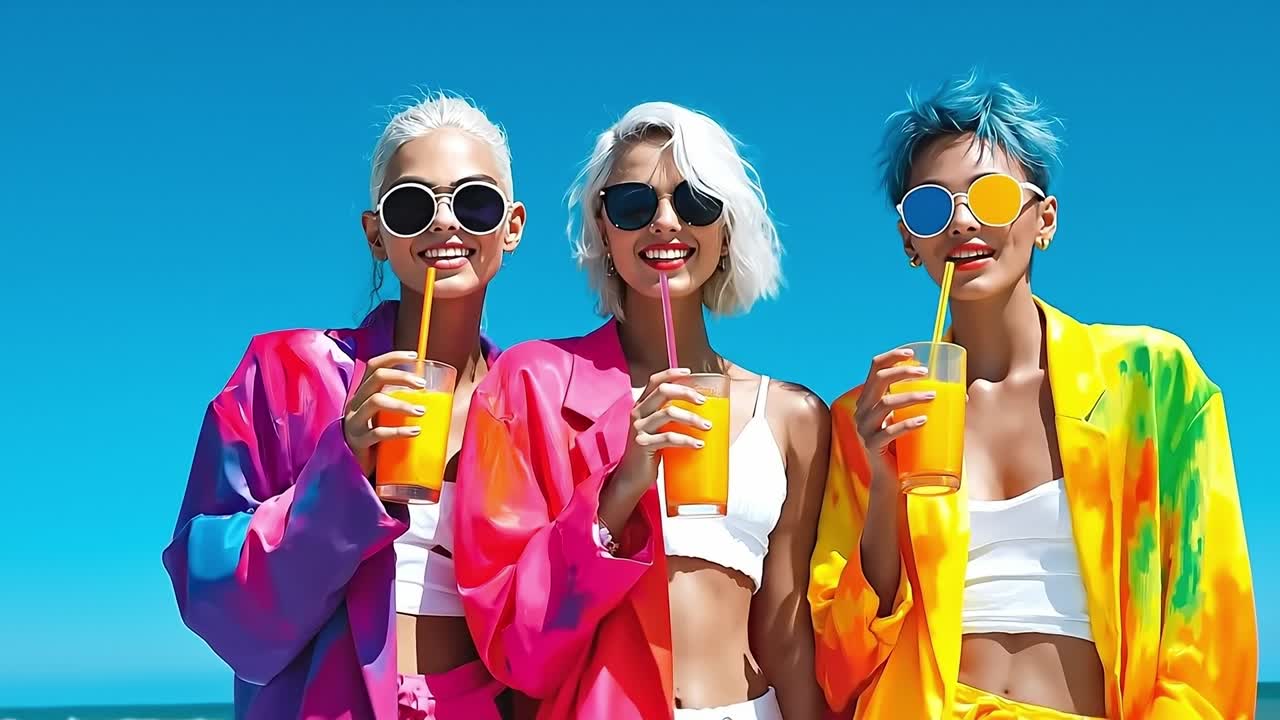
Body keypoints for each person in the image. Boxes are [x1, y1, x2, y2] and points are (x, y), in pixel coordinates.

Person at [808, 73, 1257, 720]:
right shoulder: (866, 414)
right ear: (911, 241)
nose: (962, 221)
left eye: (990, 196)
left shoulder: (1154, 381)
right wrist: (883, 484)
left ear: (1044, 219)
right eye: (931, 207)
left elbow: (1209, 638)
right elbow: (839, 667)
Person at [453, 101, 829, 720]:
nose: (665, 221)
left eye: (696, 201)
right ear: (605, 228)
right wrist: (621, 488)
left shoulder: (792, 416)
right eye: (633, 204)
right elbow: (510, 640)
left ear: (726, 226)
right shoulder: (530, 384)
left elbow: (787, 633)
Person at [162, 93, 526, 720]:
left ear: (511, 225)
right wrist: (343, 472)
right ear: (377, 234)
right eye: (411, 204)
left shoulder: (535, 403)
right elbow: (214, 601)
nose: (444, 222)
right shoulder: (286, 375)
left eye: (473, 201)